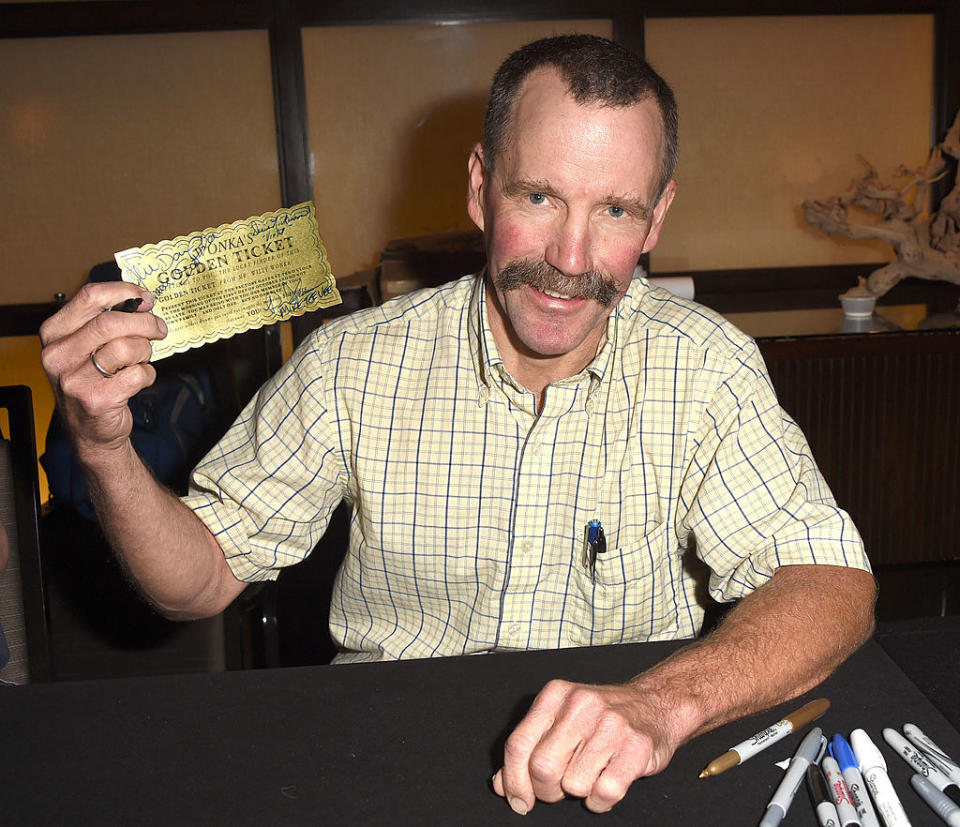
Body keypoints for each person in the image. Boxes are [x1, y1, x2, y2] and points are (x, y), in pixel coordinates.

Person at [40, 35, 875, 815]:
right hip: (381, 766)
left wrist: (659, 704)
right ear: (481, 187)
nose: (572, 258)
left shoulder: (706, 366)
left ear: (657, 219)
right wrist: (105, 448)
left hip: (618, 776)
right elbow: (199, 581)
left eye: (616, 211)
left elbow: (833, 584)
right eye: (539, 195)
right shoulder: (349, 363)